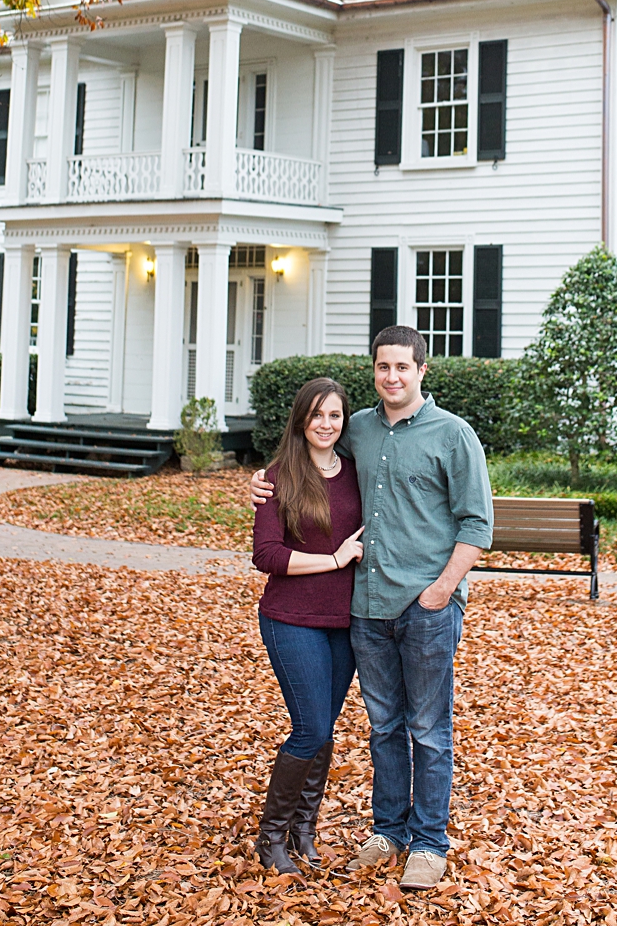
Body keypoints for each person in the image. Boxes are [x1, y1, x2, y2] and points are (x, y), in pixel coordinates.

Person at [251, 325, 493, 891]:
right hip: (367, 609)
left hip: (426, 607)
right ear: (375, 370)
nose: (392, 377)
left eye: (402, 368)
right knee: (383, 726)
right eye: (383, 368)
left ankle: (429, 842)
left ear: (421, 371)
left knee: (429, 729)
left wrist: (441, 591)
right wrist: (258, 484)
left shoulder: (453, 435)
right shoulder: (356, 427)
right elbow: (302, 457)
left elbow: (478, 524)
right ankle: (389, 831)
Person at [250, 376, 365, 876]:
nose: (326, 424)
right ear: (301, 419)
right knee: (310, 726)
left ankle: (303, 828)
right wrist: (335, 559)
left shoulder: (358, 473)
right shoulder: (278, 476)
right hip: (290, 618)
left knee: (324, 730)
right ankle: (271, 837)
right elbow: (266, 555)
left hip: (345, 622)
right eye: (316, 414)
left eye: (334, 415)